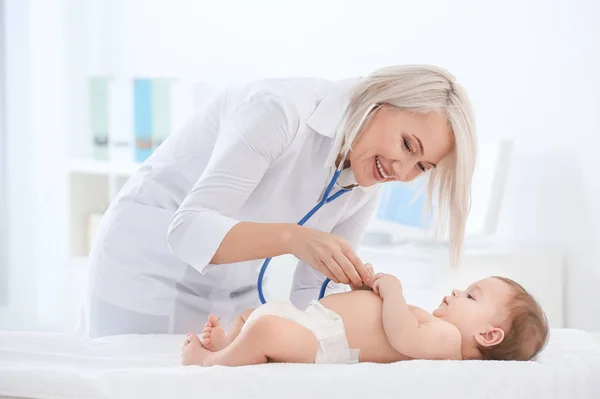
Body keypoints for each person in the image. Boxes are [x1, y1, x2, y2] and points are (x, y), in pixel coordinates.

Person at [79, 64, 477, 337]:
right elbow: (187, 230)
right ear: (380, 100)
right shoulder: (281, 111)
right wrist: (294, 238)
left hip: (229, 292)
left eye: (421, 166)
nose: (402, 171)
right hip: (147, 270)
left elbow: (313, 293)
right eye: (407, 144)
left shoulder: (367, 180)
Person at [181, 271, 549, 366]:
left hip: (326, 342)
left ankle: (212, 360)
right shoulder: (438, 326)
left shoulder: (449, 341)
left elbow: (402, 337)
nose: (455, 292)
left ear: (488, 335)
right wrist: (364, 289)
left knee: (263, 329)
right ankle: (233, 344)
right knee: (251, 315)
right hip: (315, 320)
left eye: (471, 296)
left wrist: (394, 292)